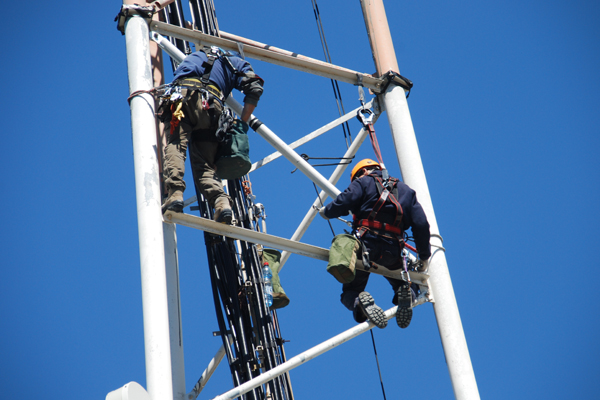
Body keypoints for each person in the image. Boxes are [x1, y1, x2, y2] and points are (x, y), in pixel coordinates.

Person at [319, 159, 431, 329]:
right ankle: (409, 294)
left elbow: (346, 200)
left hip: (366, 246)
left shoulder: (363, 182)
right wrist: (423, 256)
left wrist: (326, 211)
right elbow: (421, 224)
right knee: (407, 283)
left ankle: (359, 303)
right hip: (394, 251)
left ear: (361, 172)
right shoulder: (407, 191)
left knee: (350, 291)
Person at [160, 46, 264, 224]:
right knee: (206, 166)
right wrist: (242, 123)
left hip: (181, 98)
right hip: (211, 108)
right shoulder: (236, 63)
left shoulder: (193, 57)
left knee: (176, 145)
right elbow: (255, 87)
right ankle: (222, 204)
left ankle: (175, 194)